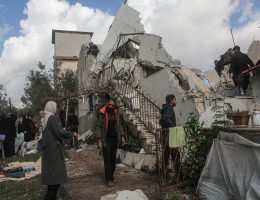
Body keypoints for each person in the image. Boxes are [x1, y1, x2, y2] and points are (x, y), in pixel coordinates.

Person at [41, 101, 77, 200]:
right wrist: (71, 134)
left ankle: (51, 196)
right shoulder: (51, 118)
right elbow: (59, 132)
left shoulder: (46, 117)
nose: (57, 109)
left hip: (50, 150)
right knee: (55, 177)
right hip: (54, 151)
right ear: (51, 107)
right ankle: (50, 197)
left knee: (53, 177)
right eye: (56, 107)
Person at [96, 98, 126, 187]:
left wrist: (122, 136)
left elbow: (119, 125)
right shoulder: (102, 113)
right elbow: (98, 126)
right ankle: (108, 179)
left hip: (114, 139)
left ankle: (111, 176)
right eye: (110, 105)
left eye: (113, 105)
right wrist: (99, 140)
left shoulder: (116, 112)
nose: (111, 106)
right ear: (107, 103)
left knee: (113, 159)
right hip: (106, 139)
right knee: (107, 158)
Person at [159, 94, 178, 173]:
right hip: (169, 135)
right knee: (176, 155)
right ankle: (179, 177)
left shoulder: (165, 109)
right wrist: (174, 127)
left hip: (165, 135)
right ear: (171, 101)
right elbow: (165, 118)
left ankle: (165, 175)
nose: (176, 101)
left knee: (166, 156)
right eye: (175, 99)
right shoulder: (169, 109)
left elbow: (161, 121)